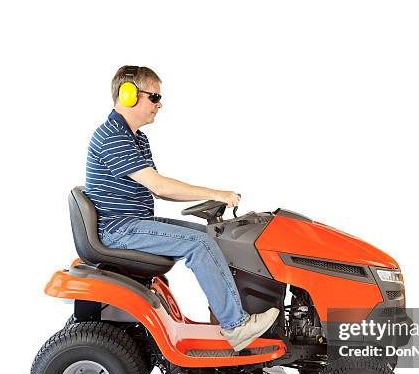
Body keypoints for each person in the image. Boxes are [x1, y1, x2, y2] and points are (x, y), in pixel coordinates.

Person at [84, 65, 279, 351]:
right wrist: (217, 193)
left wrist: (211, 198)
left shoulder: (136, 137)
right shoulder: (113, 137)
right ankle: (236, 326)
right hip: (120, 230)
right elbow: (160, 186)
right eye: (154, 97)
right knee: (198, 244)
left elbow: (157, 189)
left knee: (208, 237)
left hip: (131, 223)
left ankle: (226, 317)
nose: (160, 104)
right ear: (128, 95)